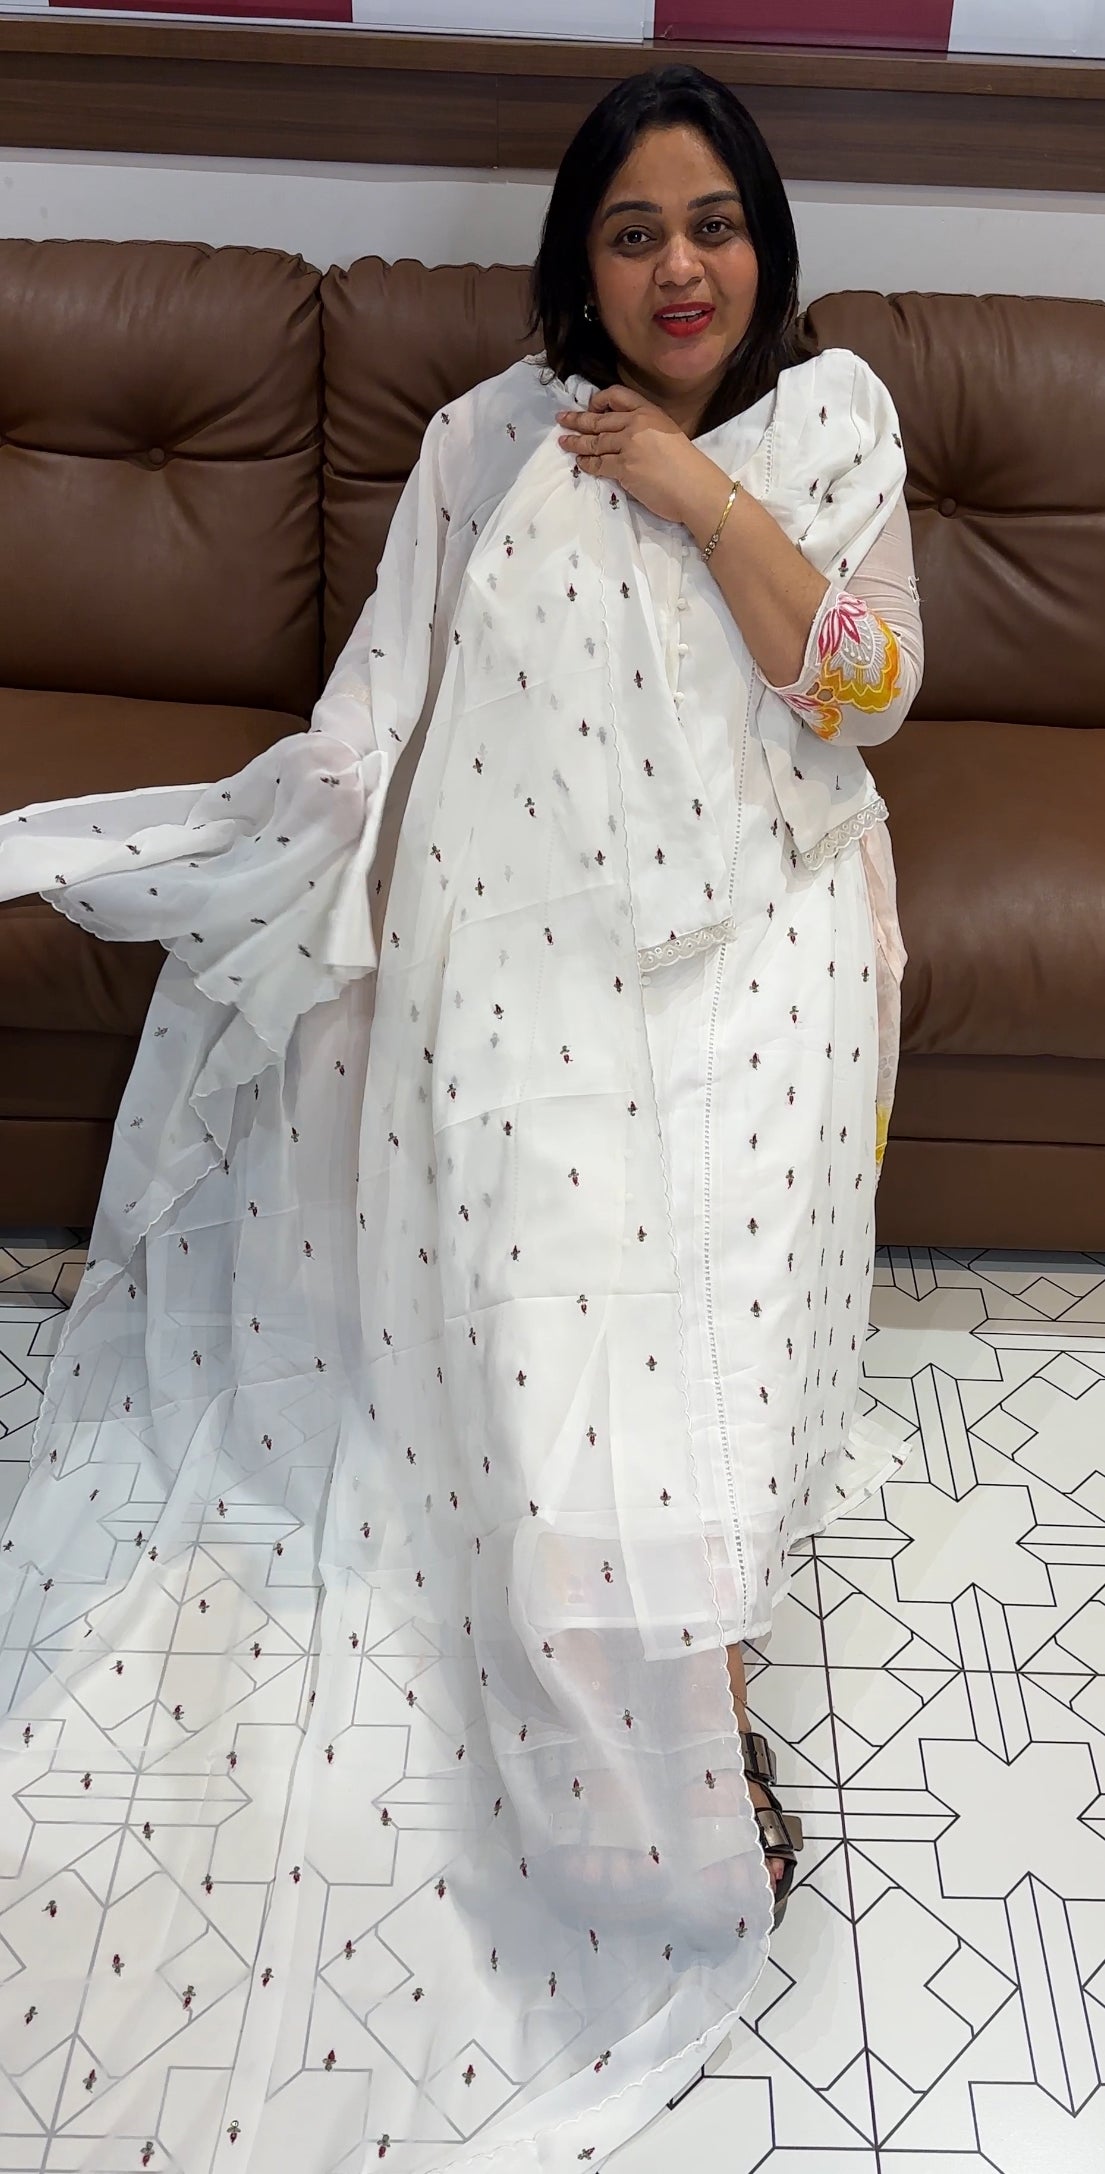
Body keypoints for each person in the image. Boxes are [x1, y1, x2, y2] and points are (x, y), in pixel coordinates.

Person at [0, 63, 921, 2174]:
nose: (679, 267)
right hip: (531, 917)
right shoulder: (485, 442)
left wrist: (694, 496)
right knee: (552, 1279)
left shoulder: (832, 419)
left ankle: (703, 1669)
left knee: (719, 1248)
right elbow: (387, 709)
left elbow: (865, 692)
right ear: (578, 261)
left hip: (767, 910)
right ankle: (622, 1677)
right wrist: (310, 868)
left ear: (763, 243)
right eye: (632, 230)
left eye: (711, 223)